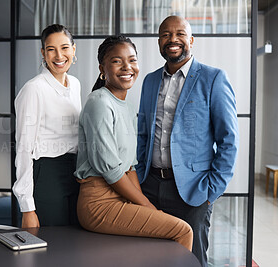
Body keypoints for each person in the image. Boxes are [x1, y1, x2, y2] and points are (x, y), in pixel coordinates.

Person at [136, 16, 239, 266]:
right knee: (152, 255)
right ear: (159, 42)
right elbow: (143, 133)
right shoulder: (150, 80)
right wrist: (140, 174)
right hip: (150, 186)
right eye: (166, 35)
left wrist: (211, 190)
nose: (173, 40)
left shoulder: (213, 78)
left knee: (191, 259)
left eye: (180, 34)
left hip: (193, 191)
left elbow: (229, 140)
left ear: (191, 40)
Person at [74, 35, 193, 251]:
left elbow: (130, 167)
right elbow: (110, 170)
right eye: (117, 61)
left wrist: (143, 205)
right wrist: (147, 206)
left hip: (120, 194)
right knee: (182, 230)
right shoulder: (99, 102)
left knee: (158, 235)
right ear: (103, 68)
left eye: (132, 60)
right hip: (98, 202)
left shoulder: (127, 107)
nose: (127, 67)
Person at [13, 24, 81, 228]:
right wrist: (27, 208)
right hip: (46, 176)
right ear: (43, 53)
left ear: (74, 49)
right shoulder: (34, 89)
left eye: (65, 48)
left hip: (74, 173)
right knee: (51, 247)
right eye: (51, 49)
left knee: (75, 244)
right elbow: (24, 148)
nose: (59, 55)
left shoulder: (75, 84)